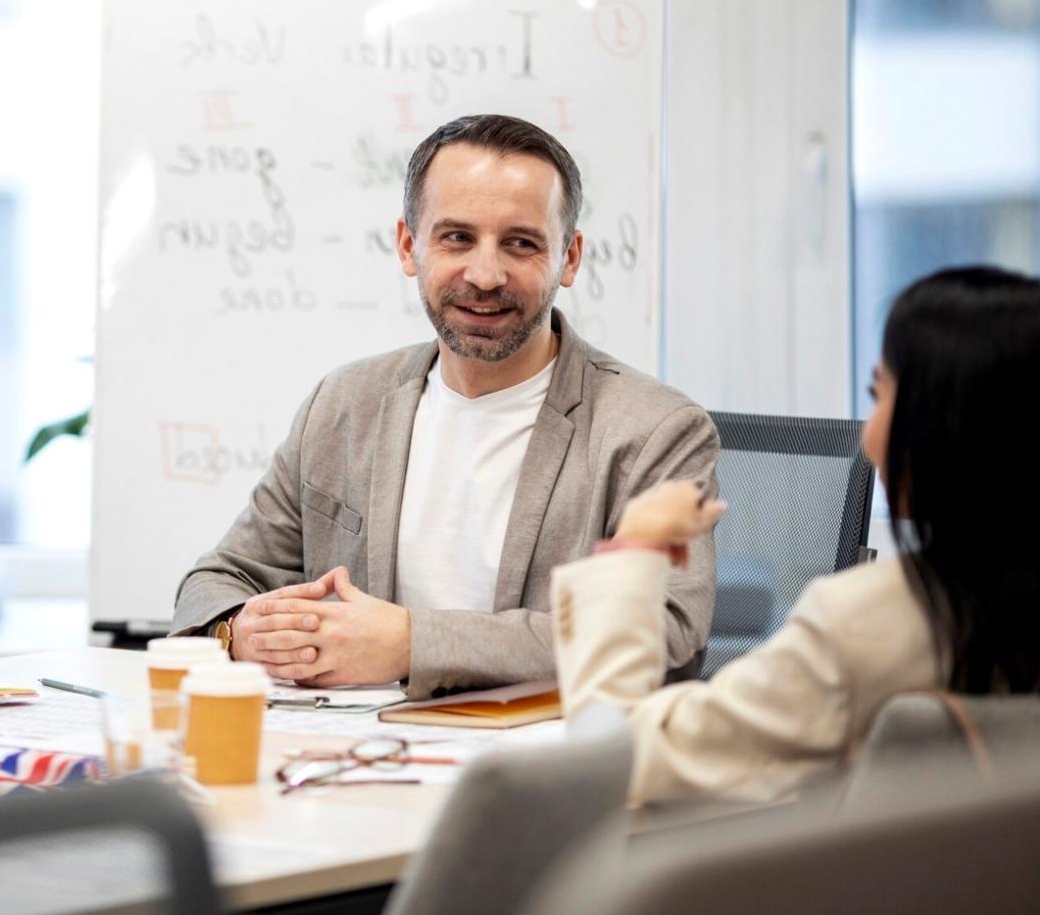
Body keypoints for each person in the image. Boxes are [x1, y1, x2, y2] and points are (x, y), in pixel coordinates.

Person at [172, 114, 718, 699]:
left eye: (521, 243)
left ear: (570, 258)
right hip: (350, 757)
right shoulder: (344, 404)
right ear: (410, 246)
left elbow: (662, 632)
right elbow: (216, 580)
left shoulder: (657, 430)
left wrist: (412, 644)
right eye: (457, 237)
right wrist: (238, 631)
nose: (485, 275)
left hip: (537, 769)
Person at [554, 266, 1040, 806]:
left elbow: (615, 766)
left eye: (879, 395)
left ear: (941, 424)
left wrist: (636, 546)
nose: (870, 430)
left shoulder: (868, 626)